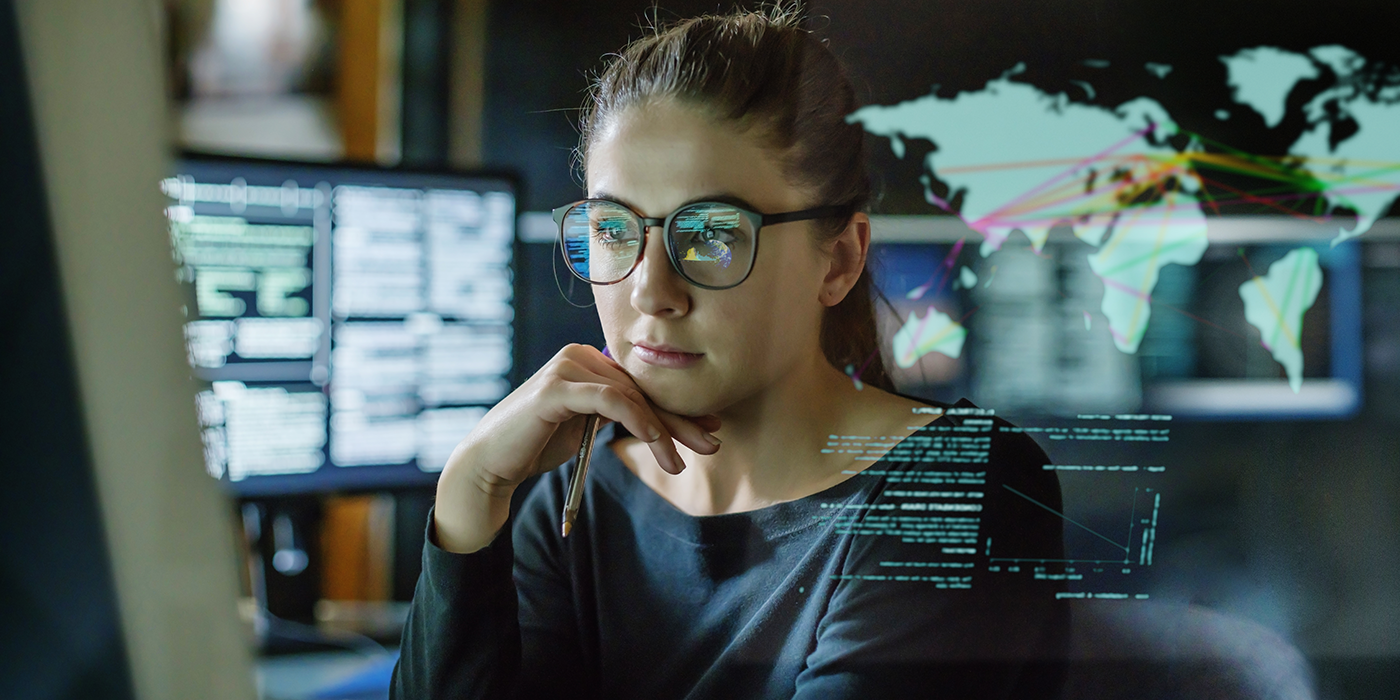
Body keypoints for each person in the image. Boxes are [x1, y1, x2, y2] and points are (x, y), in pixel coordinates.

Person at [392, 7, 1068, 698]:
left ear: (837, 261)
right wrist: (470, 488)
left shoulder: (965, 488)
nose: (651, 291)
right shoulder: (575, 504)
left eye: (713, 235)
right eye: (614, 229)